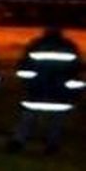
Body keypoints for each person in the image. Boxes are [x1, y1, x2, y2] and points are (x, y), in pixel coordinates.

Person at [8, 26, 82, 154]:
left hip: (37, 90)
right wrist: (73, 92)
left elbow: (24, 67)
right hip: (59, 92)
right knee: (56, 121)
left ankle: (18, 142)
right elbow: (76, 71)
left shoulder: (36, 45)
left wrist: (27, 84)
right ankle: (52, 145)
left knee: (28, 118)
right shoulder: (69, 47)